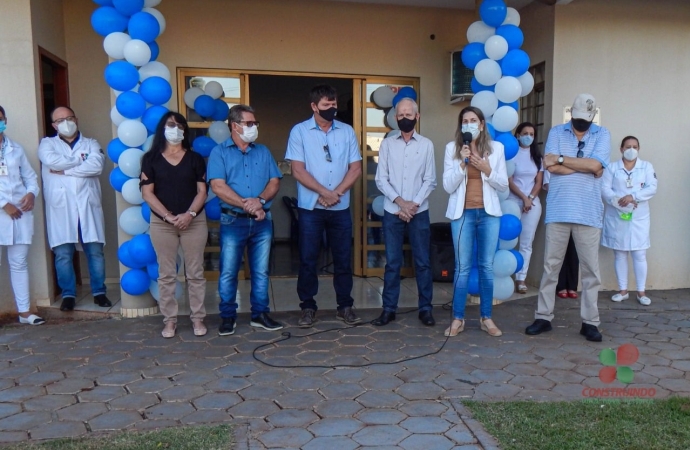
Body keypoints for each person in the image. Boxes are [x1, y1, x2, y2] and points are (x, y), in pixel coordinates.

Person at [525, 93, 610, 342]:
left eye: (585, 118)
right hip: (559, 209)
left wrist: (563, 160)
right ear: (570, 113)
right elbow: (550, 166)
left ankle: (590, 322)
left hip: (589, 211)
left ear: (593, 116)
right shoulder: (556, 132)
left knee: (591, 271)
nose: (580, 122)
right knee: (551, 267)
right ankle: (543, 317)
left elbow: (597, 166)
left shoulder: (602, 134)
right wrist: (586, 165)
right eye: (576, 117)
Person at [285, 84, 362, 328]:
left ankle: (345, 306)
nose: (332, 108)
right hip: (311, 208)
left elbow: (356, 168)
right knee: (308, 259)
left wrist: (335, 194)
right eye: (327, 105)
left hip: (339, 207)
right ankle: (308, 307)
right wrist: (324, 192)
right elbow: (297, 170)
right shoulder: (299, 132)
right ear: (314, 106)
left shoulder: (347, 131)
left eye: (334, 104)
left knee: (342, 258)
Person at [209, 104, 283, 336]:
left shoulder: (263, 151)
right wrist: (248, 205)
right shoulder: (219, 152)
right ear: (234, 126)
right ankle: (228, 316)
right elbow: (217, 186)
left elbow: (274, 182)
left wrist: (259, 201)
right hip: (233, 221)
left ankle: (259, 314)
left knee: (261, 272)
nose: (254, 127)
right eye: (249, 123)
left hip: (262, 222)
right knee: (229, 271)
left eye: (255, 123)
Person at [140, 112, 208, 338]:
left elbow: (202, 191)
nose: (176, 129)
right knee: (166, 274)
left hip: (194, 221)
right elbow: (147, 193)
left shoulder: (196, 159)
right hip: (162, 224)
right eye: (171, 125)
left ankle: (198, 318)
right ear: (162, 128)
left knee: (195, 273)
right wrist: (169, 217)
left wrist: (189, 214)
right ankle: (169, 320)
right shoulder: (150, 159)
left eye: (180, 125)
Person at [443, 106, 508, 337]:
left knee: (486, 268)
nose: (468, 124)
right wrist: (462, 164)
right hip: (463, 215)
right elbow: (448, 186)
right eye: (464, 121)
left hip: (488, 214)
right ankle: (458, 319)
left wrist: (486, 168)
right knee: (461, 268)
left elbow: (503, 186)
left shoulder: (496, 149)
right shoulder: (453, 149)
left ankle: (486, 318)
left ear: (481, 124)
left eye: (473, 120)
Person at [38, 106, 111, 312]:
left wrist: (66, 170)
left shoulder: (92, 143)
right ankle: (68, 294)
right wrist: (80, 162)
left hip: (87, 206)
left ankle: (99, 292)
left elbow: (96, 166)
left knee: (95, 252)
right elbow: (52, 161)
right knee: (63, 253)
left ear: (76, 120)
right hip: (61, 207)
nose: (66, 122)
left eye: (69, 118)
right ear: (54, 125)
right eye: (60, 120)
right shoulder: (47, 144)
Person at [372, 98, 436, 327]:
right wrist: (401, 203)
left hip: (419, 212)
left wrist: (412, 205)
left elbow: (430, 180)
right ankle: (388, 309)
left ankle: (426, 309)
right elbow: (381, 179)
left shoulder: (426, 144)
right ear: (395, 118)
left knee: (423, 262)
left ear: (417, 117)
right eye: (400, 115)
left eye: (409, 114)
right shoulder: (388, 144)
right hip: (392, 211)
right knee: (392, 263)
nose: (405, 118)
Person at [0, 105, 44, 325]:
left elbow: (30, 177)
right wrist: (3, 204)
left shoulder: (15, 149)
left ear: (5, 120)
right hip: (3, 213)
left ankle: (25, 313)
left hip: (20, 213)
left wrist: (31, 194)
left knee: (19, 263)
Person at [601, 136, 657, 305]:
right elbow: (604, 188)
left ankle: (641, 292)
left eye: (634, 146)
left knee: (639, 253)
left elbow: (652, 187)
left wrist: (633, 196)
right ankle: (623, 290)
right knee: (620, 252)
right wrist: (619, 200)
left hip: (639, 216)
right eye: (628, 146)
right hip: (617, 215)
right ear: (621, 149)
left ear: (638, 149)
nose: (631, 149)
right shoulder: (612, 168)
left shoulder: (646, 166)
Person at [509, 122, 543, 294]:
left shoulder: (537, 157)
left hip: (532, 204)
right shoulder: (512, 154)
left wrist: (529, 198)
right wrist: (523, 198)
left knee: (526, 243)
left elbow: (539, 181)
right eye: (525, 133)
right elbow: (509, 180)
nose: (528, 136)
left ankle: (521, 279)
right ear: (518, 135)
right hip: (513, 201)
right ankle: (506, 274)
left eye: (531, 133)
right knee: (508, 240)